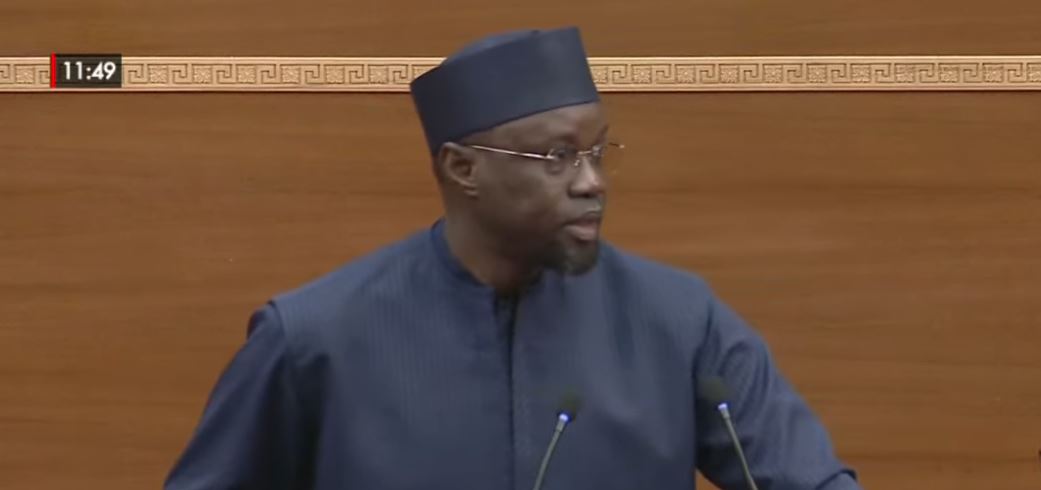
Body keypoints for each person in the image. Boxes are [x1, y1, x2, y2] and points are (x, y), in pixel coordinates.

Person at [164, 26, 862, 490]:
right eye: (557, 157)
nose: (592, 181)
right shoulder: (315, 339)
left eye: (597, 151)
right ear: (462, 168)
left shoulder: (679, 323)